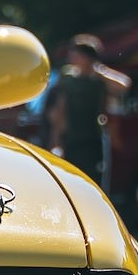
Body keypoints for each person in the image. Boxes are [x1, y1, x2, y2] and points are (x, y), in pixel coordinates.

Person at [47, 34, 129, 188]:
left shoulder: (98, 80)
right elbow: (59, 111)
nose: (72, 57)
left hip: (93, 140)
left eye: (76, 54)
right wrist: (55, 141)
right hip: (72, 139)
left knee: (95, 184)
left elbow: (124, 85)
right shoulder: (68, 79)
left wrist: (98, 70)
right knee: (71, 183)